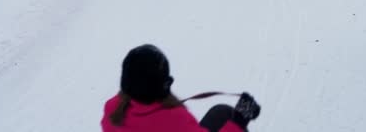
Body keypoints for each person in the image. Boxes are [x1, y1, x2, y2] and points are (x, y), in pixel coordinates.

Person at [101, 44, 261, 132]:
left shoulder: (113, 108)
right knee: (228, 117)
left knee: (221, 112)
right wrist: (239, 121)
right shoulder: (174, 120)